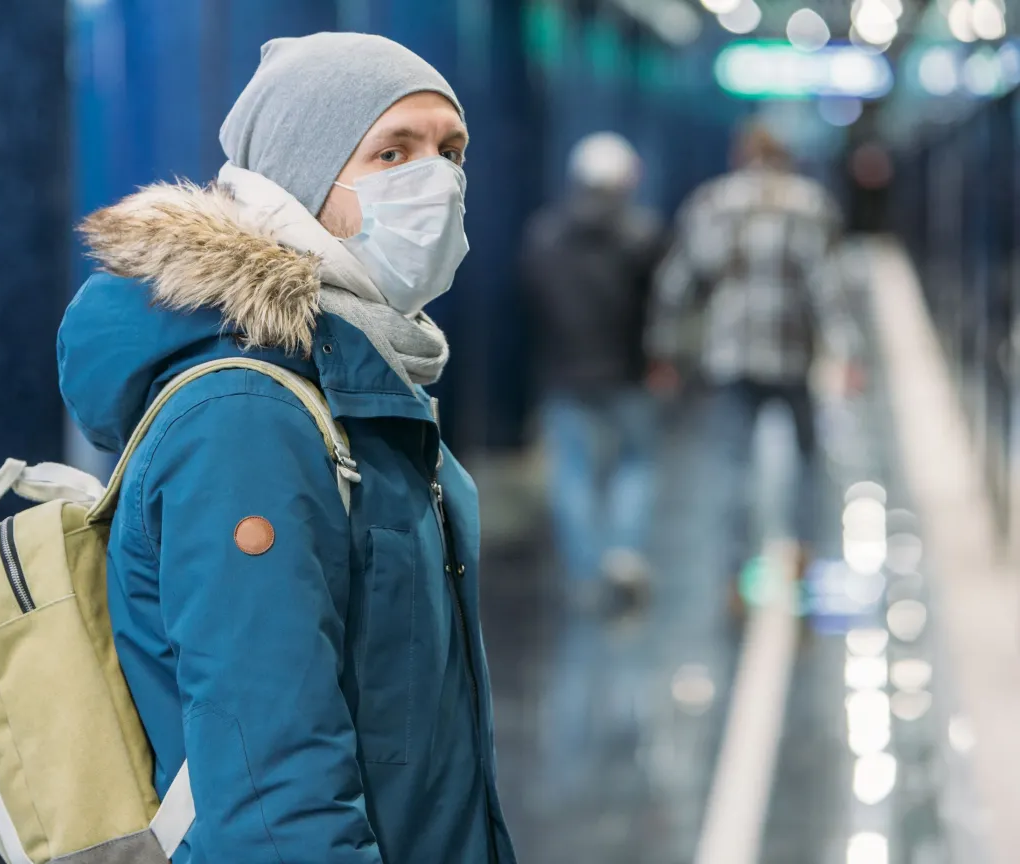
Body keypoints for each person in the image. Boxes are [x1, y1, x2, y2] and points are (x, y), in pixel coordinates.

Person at [57, 33, 516, 864]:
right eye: (393, 150)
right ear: (302, 180)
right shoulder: (248, 417)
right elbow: (273, 798)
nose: (439, 180)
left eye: (452, 151)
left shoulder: (364, 377)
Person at [646, 124, 864, 610]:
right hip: (793, 357)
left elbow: (677, 282)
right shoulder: (810, 204)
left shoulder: (712, 203)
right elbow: (828, 287)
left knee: (732, 467)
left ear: (738, 155)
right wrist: (848, 353)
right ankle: (802, 554)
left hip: (730, 359)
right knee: (807, 463)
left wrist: (662, 349)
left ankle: (734, 570)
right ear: (788, 156)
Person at [520, 132, 668, 608]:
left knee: (573, 471)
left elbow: (531, 304)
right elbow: (659, 308)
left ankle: (586, 572)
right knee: (635, 463)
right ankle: (623, 552)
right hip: (628, 371)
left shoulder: (543, 235)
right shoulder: (644, 236)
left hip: (564, 371)